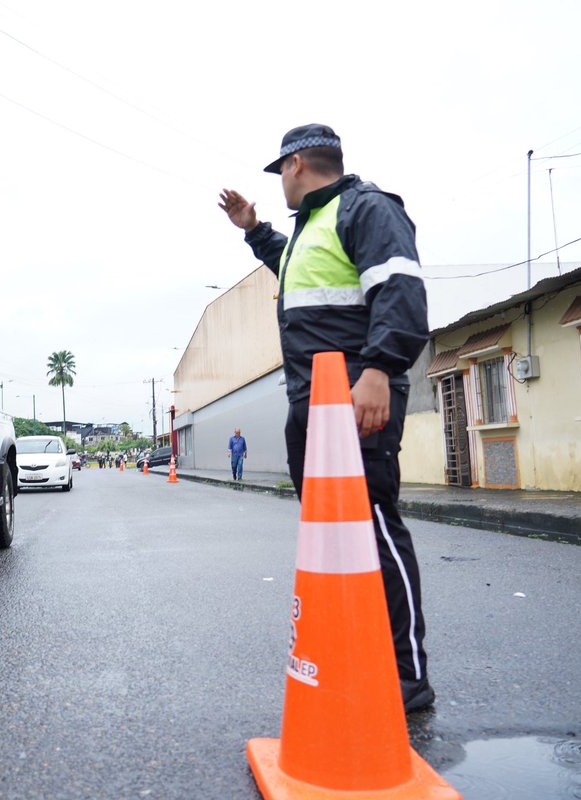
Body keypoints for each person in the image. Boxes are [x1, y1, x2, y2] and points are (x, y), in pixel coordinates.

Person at [218, 123, 433, 713]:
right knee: (332, 537)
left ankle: (406, 674)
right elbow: (296, 268)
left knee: (374, 527)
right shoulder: (313, 225)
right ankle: (352, 652)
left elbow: (402, 292)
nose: (280, 186)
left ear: (294, 166)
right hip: (310, 403)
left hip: (355, 400)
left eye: (279, 174)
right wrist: (254, 231)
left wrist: (378, 371)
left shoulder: (367, 208)